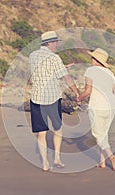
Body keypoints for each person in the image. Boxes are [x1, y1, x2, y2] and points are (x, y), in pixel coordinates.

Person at [29, 31, 79, 171]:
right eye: (55, 42)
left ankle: (45, 163)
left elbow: (41, 70)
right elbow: (66, 78)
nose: (57, 44)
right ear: (50, 43)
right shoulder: (54, 58)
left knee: (41, 133)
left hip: (37, 98)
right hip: (52, 98)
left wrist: (63, 67)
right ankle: (57, 158)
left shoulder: (32, 56)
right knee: (58, 129)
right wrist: (76, 92)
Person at [78, 48, 115, 172]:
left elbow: (88, 91)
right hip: (111, 107)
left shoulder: (90, 70)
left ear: (96, 60)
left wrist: (79, 98)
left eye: (92, 57)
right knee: (103, 134)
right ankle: (102, 162)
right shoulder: (110, 73)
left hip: (97, 107)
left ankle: (111, 156)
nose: (91, 59)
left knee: (98, 135)